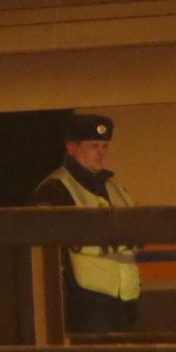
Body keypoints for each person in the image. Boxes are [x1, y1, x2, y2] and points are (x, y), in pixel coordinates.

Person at [34, 112, 140, 334]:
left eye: (104, 146)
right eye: (93, 146)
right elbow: (50, 255)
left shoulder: (115, 187)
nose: (100, 153)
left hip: (126, 297)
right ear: (71, 148)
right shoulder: (56, 189)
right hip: (87, 301)